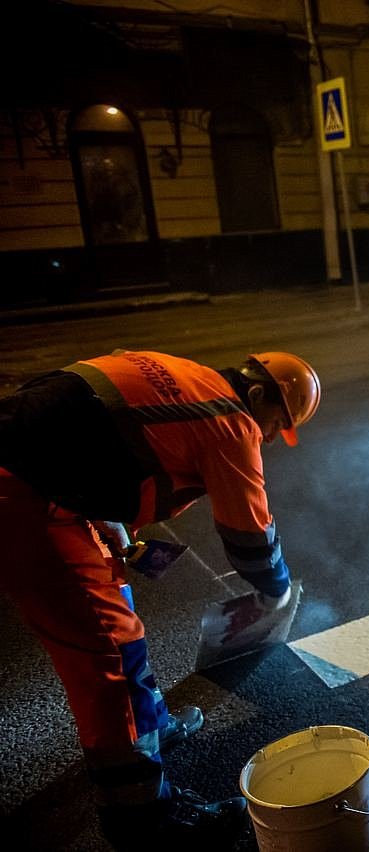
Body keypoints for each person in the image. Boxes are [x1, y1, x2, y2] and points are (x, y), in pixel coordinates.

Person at [0, 349, 321, 848]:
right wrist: (275, 590)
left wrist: (115, 526)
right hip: (25, 498)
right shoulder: (230, 420)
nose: (273, 437)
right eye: (277, 423)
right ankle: (143, 817)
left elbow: (98, 428)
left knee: (118, 613)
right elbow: (249, 536)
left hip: (45, 478)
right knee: (111, 651)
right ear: (257, 395)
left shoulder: (187, 374)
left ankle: (149, 727)